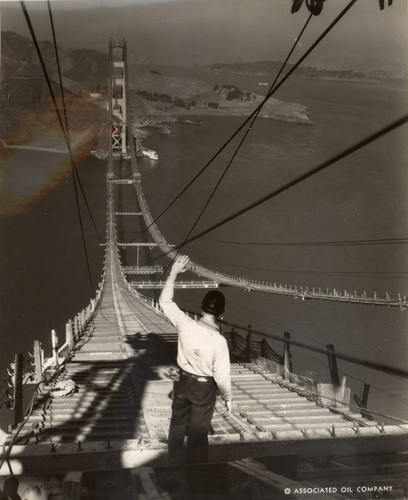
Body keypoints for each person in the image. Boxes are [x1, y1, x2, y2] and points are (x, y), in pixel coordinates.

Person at [159, 255, 232, 464]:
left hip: (182, 383)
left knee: (177, 426)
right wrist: (228, 398)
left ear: (201, 308)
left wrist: (173, 273)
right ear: (221, 314)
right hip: (204, 388)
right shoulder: (219, 342)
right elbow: (222, 377)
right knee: (198, 436)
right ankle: (196, 472)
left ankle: (172, 464)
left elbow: (164, 301)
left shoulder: (185, 324)